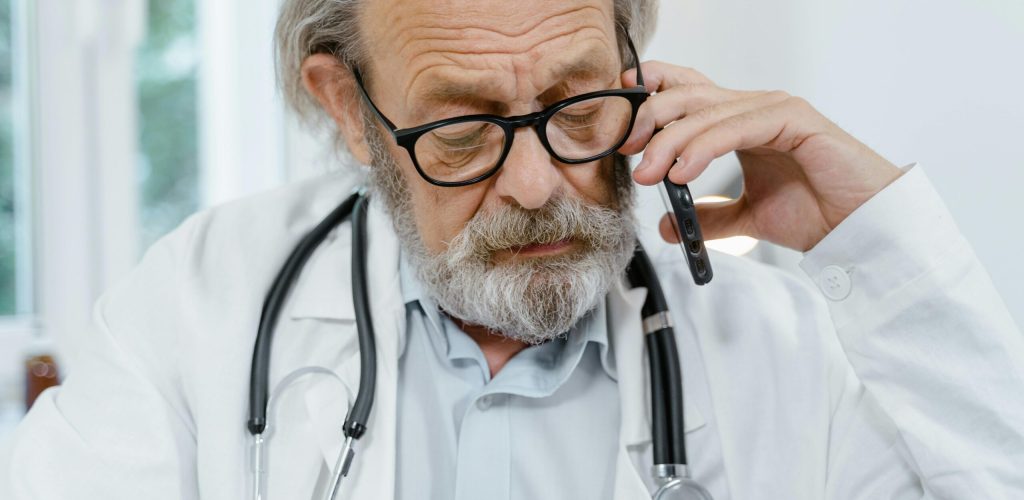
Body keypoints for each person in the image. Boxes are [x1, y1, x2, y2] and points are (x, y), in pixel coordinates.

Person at [6, 0, 1023, 498]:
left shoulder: (776, 339)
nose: (537, 185)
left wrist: (872, 234)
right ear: (347, 109)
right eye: (463, 128)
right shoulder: (200, 312)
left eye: (579, 104)